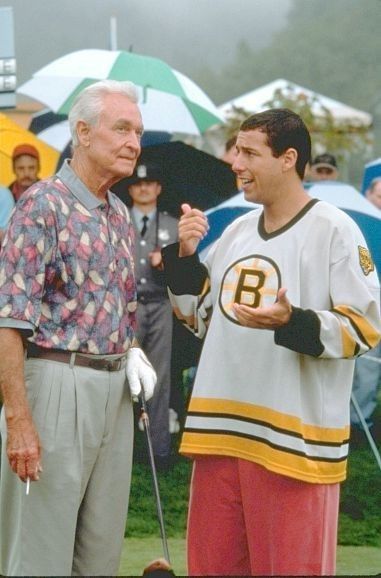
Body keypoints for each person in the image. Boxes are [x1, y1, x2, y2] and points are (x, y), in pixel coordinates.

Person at [162, 108, 381, 576]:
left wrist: (293, 321)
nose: (236, 162)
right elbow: (201, 319)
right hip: (220, 435)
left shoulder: (334, 229)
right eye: (236, 150)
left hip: (293, 443)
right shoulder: (237, 231)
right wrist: (184, 260)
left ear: (287, 158)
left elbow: (365, 325)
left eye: (248, 152)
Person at [0, 79, 157, 577]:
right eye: (123, 128)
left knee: (100, 552)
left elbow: (117, 309)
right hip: (53, 384)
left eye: (138, 131)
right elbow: (8, 321)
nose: (134, 141)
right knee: (40, 553)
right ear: (83, 133)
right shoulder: (40, 204)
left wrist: (131, 351)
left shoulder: (119, 214)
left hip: (113, 393)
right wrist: (19, 421)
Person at [126, 163, 179, 467]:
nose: (144, 188)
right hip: (127, 305)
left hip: (159, 304)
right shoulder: (118, 220)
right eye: (137, 184)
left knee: (158, 375)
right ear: (130, 189)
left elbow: (186, 271)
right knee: (121, 375)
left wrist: (167, 263)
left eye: (150, 183)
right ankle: (119, 448)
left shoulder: (172, 226)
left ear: (158, 188)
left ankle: (158, 449)